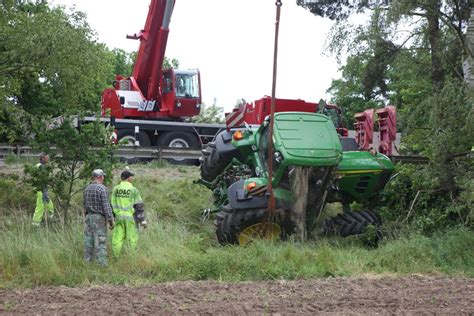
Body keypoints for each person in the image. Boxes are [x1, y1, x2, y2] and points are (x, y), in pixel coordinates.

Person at [83, 169, 114, 266]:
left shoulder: (87, 188)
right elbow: (106, 206)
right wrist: (110, 220)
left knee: (88, 240)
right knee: (100, 241)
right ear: (100, 177)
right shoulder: (102, 188)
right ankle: (101, 264)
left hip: (88, 217)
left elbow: (84, 205)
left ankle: (87, 262)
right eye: (103, 176)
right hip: (99, 218)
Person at [111, 170, 146, 257]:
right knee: (132, 238)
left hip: (118, 217)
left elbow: (112, 204)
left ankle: (116, 257)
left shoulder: (116, 189)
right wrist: (142, 220)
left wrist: (112, 218)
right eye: (131, 177)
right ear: (129, 178)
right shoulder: (133, 190)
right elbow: (139, 205)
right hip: (130, 218)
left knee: (117, 238)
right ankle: (131, 257)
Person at [32, 153, 54, 226]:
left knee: (49, 204)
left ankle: (52, 219)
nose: (48, 159)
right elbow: (44, 178)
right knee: (40, 207)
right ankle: (35, 224)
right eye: (47, 158)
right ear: (43, 158)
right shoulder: (41, 167)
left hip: (42, 189)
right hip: (40, 190)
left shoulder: (40, 166)